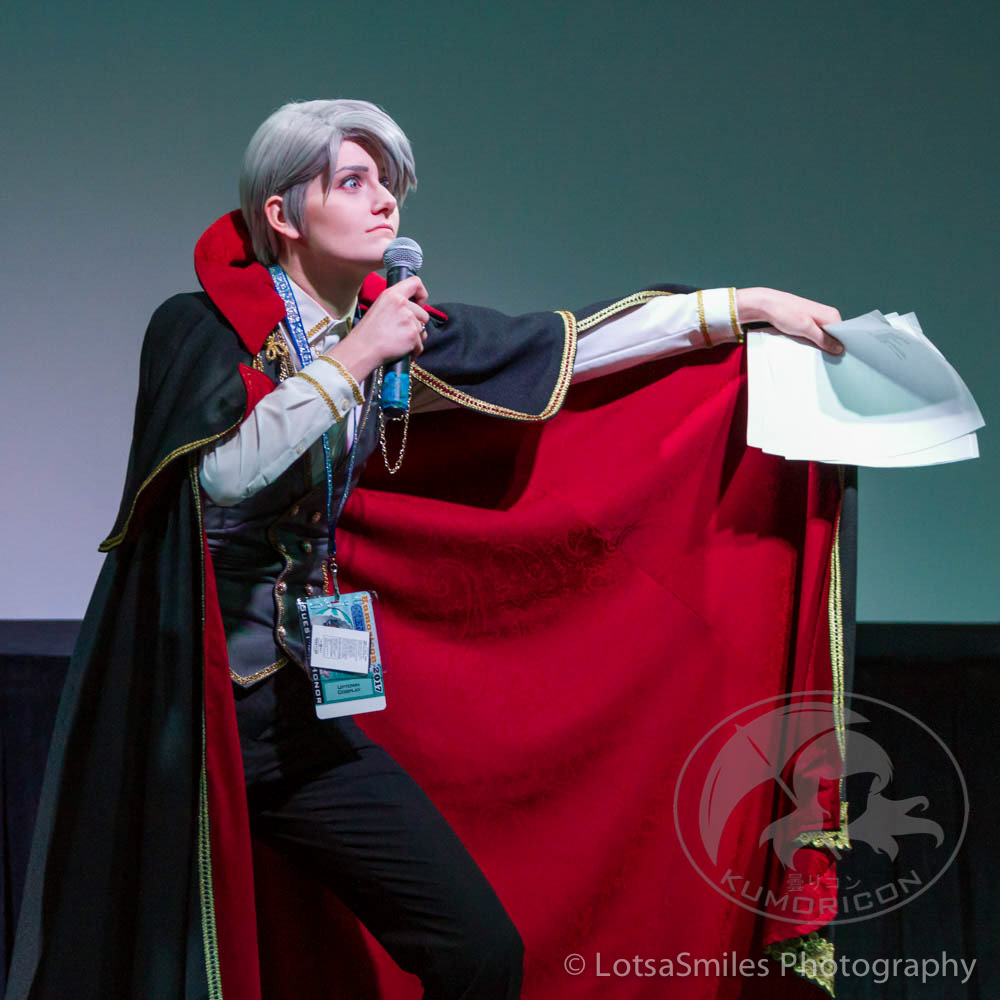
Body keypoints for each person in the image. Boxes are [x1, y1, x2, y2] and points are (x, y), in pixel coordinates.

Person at [9, 99, 844, 1000]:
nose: (385, 203)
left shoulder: (388, 334)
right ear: (282, 215)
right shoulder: (201, 326)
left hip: (298, 719)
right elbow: (222, 476)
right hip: (188, 711)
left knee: (479, 949)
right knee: (155, 969)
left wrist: (741, 308)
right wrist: (357, 357)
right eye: (353, 182)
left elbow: (564, 345)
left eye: (390, 185)